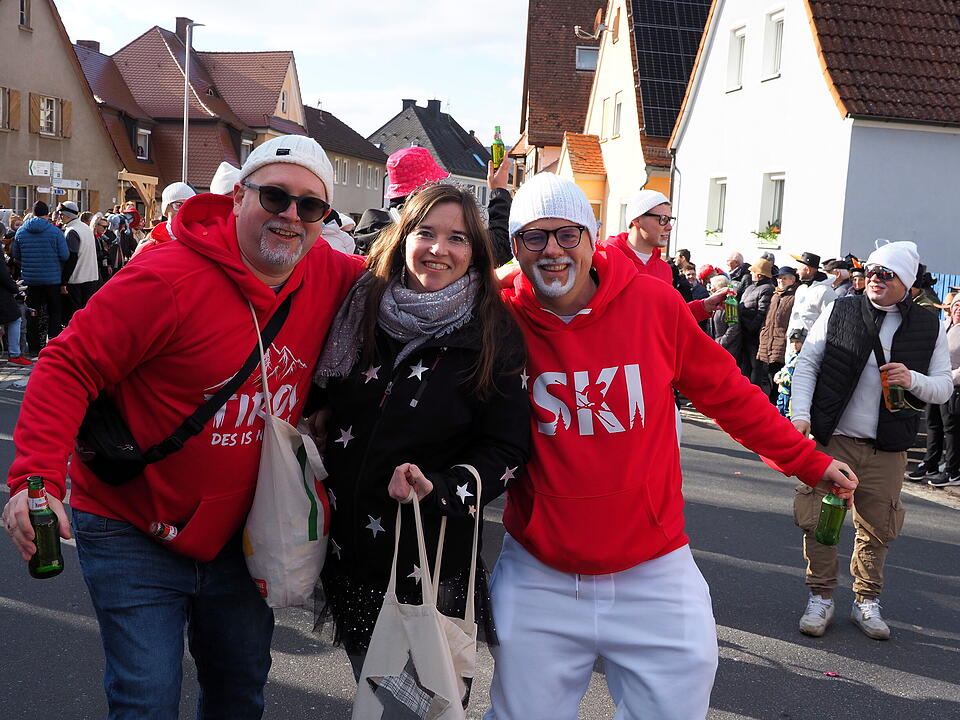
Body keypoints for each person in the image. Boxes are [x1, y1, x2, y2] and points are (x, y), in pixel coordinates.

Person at [2, 135, 364, 718]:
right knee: (146, 699)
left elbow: (422, 275)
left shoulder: (329, 273)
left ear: (325, 219)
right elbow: (68, 364)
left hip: (242, 535)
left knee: (238, 693)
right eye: (274, 196)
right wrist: (33, 479)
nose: (290, 216)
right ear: (240, 197)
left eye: (310, 206)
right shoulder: (167, 278)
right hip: (131, 523)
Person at [484, 173, 857, 719]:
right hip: (540, 569)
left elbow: (729, 394)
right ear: (516, 249)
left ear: (593, 238)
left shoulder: (653, 302)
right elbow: (414, 294)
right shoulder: (496, 317)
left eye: (567, 234)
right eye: (533, 238)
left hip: (652, 567)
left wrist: (807, 461)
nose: (553, 251)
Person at [312, 184, 529, 687]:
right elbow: (328, 388)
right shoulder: (363, 305)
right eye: (425, 233)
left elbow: (508, 448)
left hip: (429, 558)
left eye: (457, 238)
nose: (439, 249)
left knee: (421, 703)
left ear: (475, 250)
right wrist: (319, 412)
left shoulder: (493, 330)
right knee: (372, 689)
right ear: (403, 236)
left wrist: (443, 485)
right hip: (351, 552)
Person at [790, 241, 952, 640]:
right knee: (820, 521)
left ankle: (866, 600)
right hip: (835, 439)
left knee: (878, 527)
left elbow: (944, 388)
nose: (875, 280)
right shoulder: (841, 308)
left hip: (887, 446)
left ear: (907, 282)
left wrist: (912, 379)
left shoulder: (928, 325)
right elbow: (808, 362)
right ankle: (821, 596)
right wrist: (801, 415)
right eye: (873, 272)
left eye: (887, 274)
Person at [354, 146, 514, 266]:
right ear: (428, 186)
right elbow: (499, 248)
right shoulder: (439, 224)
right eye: (437, 182)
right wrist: (498, 191)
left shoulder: (372, 227)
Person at [604, 189, 727, 317]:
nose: (669, 227)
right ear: (637, 220)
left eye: (669, 219)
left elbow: (666, 317)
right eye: (662, 219)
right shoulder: (606, 259)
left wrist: (704, 306)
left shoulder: (663, 269)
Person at [906, 291, 960, 487]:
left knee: (951, 429)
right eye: (955, 306)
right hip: (935, 383)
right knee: (933, 425)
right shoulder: (944, 326)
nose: (958, 309)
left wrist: (950, 379)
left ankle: (953, 471)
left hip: (954, 387)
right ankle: (930, 463)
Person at [12, 201, 69, 354]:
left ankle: (34, 347)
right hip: (52, 279)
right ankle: (54, 346)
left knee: (32, 312)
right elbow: (65, 255)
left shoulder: (22, 231)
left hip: (30, 280)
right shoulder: (55, 232)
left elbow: (16, 255)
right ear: (47, 214)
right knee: (54, 312)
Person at [757, 266, 800, 401]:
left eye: (785, 278)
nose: (781, 281)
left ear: (793, 280)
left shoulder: (795, 296)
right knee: (767, 379)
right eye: (779, 278)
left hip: (782, 344)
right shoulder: (775, 295)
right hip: (767, 342)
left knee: (778, 380)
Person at [57, 201, 101, 325]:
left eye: (61, 214)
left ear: (66, 215)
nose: (60, 217)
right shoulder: (85, 228)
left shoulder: (72, 231)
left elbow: (72, 257)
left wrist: (64, 281)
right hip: (91, 277)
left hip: (76, 279)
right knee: (87, 316)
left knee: (75, 317)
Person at [133, 182, 197, 257]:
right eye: (178, 205)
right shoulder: (149, 247)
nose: (184, 211)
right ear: (166, 210)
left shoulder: (203, 243)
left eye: (190, 206)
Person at [739, 258, 774, 391]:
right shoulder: (751, 287)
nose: (751, 274)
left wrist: (751, 328)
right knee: (746, 366)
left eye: (753, 271)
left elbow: (761, 312)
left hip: (754, 335)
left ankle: (753, 393)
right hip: (745, 332)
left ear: (759, 274)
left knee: (755, 367)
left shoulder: (767, 289)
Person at [787, 251, 836, 341]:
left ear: (808, 270)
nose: (797, 272)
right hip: (793, 346)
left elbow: (831, 322)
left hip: (812, 346)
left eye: (799, 269)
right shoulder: (801, 289)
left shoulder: (825, 291)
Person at [773, 328, 806, 417]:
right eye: (792, 342)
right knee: (779, 410)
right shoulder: (793, 355)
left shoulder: (802, 359)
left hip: (790, 393)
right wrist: (778, 374)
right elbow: (785, 369)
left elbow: (796, 377)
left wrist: (782, 380)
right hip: (783, 391)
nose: (794, 345)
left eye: (798, 342)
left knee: (788, 413)